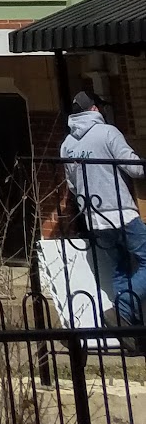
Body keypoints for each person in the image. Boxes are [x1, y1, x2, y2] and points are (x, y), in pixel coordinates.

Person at [62, 89, 146, 329]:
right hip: (121, 213)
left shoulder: (67, 145)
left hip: (93, 218)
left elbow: (71, 184)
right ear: (95, 109)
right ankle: (125, 308)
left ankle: (126, 327)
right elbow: (135, 170)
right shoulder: (107, 132)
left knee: (119, 270)